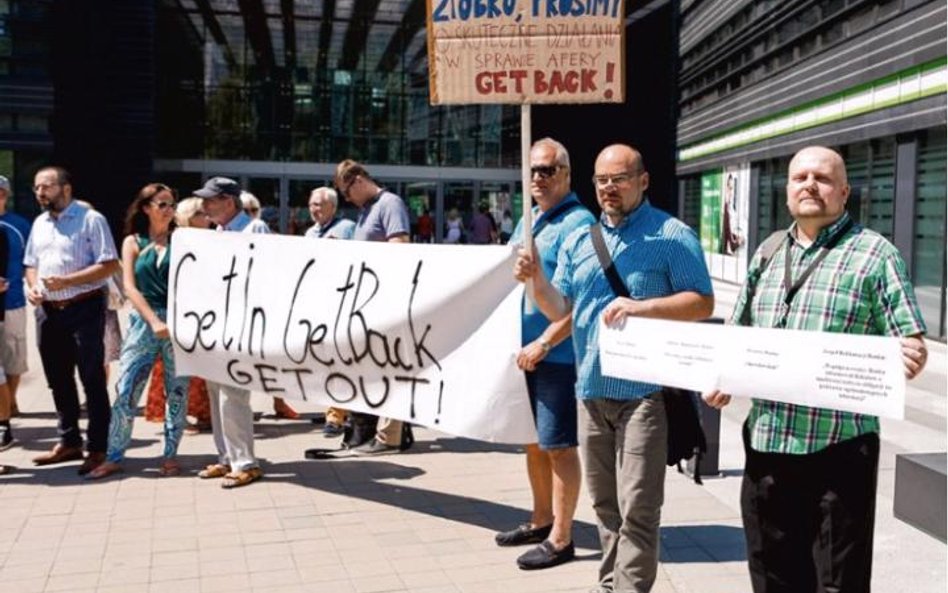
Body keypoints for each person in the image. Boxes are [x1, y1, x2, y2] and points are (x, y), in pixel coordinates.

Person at [703, 146, 928, 593]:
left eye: (822, 179)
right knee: (772, 577)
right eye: (800, 177)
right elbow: (737, 334)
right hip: (768, 446)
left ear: (844, 192)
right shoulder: (767, 254)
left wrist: (911, 356)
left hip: (838, 451)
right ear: (787, 190)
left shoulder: (875, 256)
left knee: (836, 583)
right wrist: (721, 377)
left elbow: (910, 340)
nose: (810, 185)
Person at [514, 144, 713, 592]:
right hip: (590, 391)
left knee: (639, 506)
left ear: (643, 181)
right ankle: (611, 584)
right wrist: (536, 281)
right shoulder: (581, 238)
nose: (609, 188)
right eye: (602, 180)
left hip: (644, 395)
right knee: (605, 506)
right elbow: (559, 307)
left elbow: (702, 302)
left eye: (619, 179)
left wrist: (644, 308)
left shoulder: (671, 235)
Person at [496, 138, 595, 570]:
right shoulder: (531, 218)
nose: (538, 177)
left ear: (567, 174)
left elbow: (582, 304)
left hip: (556, 357)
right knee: (533, 443)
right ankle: (541, 519)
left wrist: (544, 343)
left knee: (558, 446)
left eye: (548, 170)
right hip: (525, 355)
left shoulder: (581, 223)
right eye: (533, 170)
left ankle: (561, 537)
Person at [87, 183, 189, 480]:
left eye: (172, 204)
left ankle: (170, 454)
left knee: (178, 391)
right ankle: (114, 455)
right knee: (126, 390)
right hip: (144, 323)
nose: (169, 209)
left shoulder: (181, 240)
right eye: (162, 204)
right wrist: (153, 321)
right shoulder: (133, 241)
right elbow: (129, 286)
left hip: (178, 324)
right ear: (146, 208)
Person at [25, 166, 121, 476]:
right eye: (37, 187)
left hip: (84, 308)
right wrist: (33, 287)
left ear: (66, 188)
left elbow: (108, 264)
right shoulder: (40, 223)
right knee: (57, 379)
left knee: (92, 379)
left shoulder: (91, 219)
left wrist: (66, 282)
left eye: (47, 186)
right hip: (48, 312)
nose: (40, 192)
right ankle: (69, 441)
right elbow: (31, 264)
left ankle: (97, 448)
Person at [332, 159, 412, 456]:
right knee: (374, 368)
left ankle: (391, 435)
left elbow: (400, 245)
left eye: (346, 192)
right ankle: (383, 431)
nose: (347, 199)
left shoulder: (390, 204)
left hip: (386, 299)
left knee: (390, 368)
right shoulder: (367, 210)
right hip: (369, 300)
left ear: (357, 181)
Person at [194, 177, 268, 488]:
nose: (204, 206)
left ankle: (245, 462)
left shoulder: (254, 229)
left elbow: (266, 273)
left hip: (242, 324)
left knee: (233, 394)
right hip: (216, 324)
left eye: (210, 200)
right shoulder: (218, 233)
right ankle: (226, 458)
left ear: (229, 201)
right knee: (216, 392)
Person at [144, 197, 212, 433]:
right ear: (188, 217)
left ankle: (202, 413)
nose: (208, 217)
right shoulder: (178, 241)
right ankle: (181, 414)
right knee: (176, 367)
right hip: (177, 311)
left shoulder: (209, 240)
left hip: (201, 312)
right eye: (202, 213)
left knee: (199, 367)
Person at [242, 191, 300, 420]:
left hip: (262, 303)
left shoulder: (258, 227)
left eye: (252, 210)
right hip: (242, 303)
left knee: (271, 357)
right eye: (243, 210)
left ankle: (279, 401)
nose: (248, 215)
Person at [303, 186, 355, 436]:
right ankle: (333, 410)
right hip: (317, 306)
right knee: (323, 360)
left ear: (332, 207)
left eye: (319, 205)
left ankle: (336, 416)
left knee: (339, 360)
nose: (314, 209)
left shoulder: (346, 229)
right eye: (312, 204)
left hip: (341, 305)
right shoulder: (310, 233)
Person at [0, 176, 31, 419]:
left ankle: (9, 403)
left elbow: (32, 263)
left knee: (14, 357)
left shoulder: (20, 225)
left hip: (13, 302)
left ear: (6, 196)